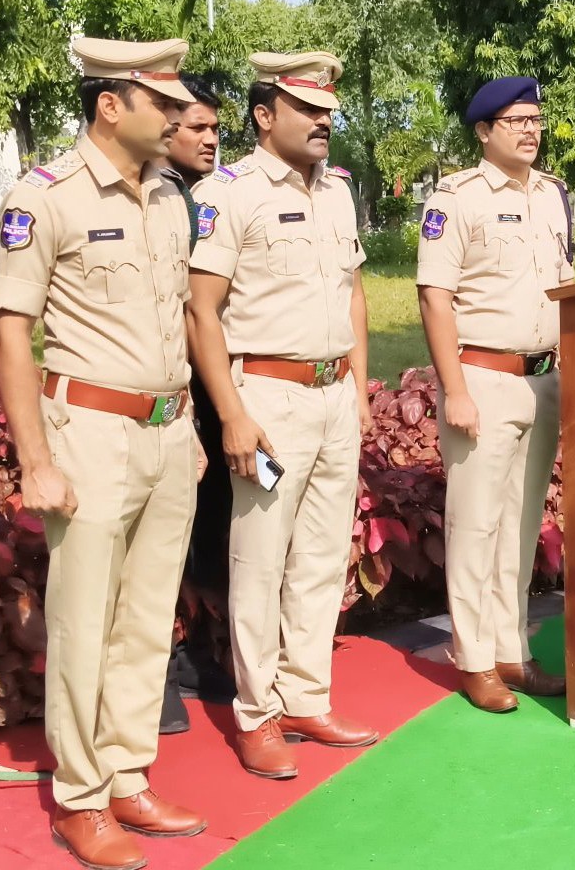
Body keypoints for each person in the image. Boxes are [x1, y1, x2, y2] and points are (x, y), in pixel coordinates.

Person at [0, 37, 205, 870]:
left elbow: (176, 321)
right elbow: (13, 330)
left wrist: (183, 428)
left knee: (148, 618)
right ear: (110, 105)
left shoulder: (169, 196)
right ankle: (81, 798)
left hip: (164, 431)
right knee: (84, 623)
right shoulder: (44, 198)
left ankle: (127, 774)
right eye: (163, 103)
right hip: (88, 435)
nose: (181, 116)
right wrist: (35, 457)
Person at [186, 50, 379, 781]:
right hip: (267, 394)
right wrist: (232, 414)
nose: (325, 119)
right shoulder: (226, 192)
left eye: (328, 108)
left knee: (323, 556)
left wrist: (359, 385)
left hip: (333, 396)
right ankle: (257, 713)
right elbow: (201, 310)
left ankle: (306, 696)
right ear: (265, 116)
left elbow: (356, 293)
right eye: (308, 108)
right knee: (260, 561)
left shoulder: (337, 192)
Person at [416, 77, 574, 713]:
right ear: (484, 132)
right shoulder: (454, 199)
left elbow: (564, 287)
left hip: (543, 379)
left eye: (536, 120)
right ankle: (474, 657)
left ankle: (513, 649)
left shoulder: (554, 195)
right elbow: (434, 297)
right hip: (482, 379)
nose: (531, 131)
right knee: (476, 525)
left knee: (521, 524)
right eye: (516, 121)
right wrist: (453, 389)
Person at [159, 74, 228, 734]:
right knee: (167, 538)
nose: (210, 138)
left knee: (220, 527)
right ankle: (163, 665)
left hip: (222, 386)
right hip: (173, 390)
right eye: (196, 127)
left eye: (214, 128)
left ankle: (208, 654)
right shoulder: (164, 198)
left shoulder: (212, 195)